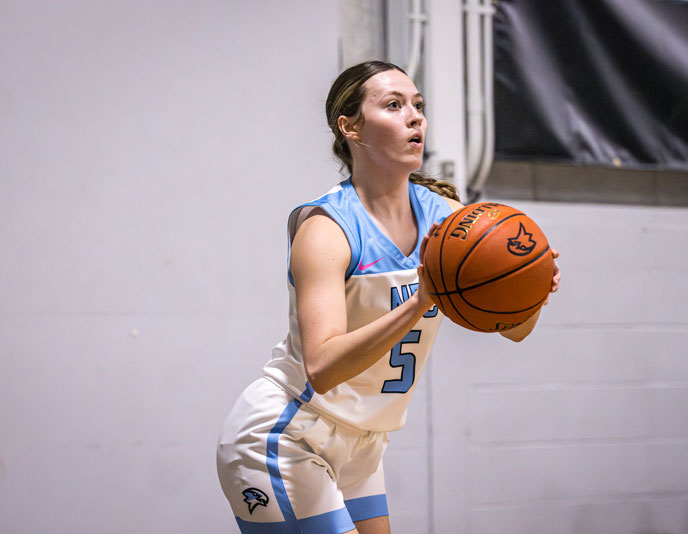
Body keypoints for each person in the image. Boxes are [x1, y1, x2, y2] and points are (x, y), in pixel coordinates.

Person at [216, 60, 560, 534]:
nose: (415, 117)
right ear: (350, 127)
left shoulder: (452, 221)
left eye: (418, 105)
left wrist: (527, 291)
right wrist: (418, 303)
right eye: (394, 105)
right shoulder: (327, 229)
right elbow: (322, 366)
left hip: (363, 441)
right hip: (289, 432)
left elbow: (516, 331)